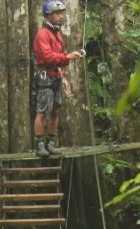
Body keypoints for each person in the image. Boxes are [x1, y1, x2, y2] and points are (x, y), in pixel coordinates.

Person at [33, 0, 84, 159]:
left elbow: (59, 59)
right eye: (57, 13)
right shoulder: (43, 34)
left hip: (56, 76)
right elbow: (48, 57)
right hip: (45, 77)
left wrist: (64, 77)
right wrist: (67, 56)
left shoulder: (57, 34)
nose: (61, 16)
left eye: (62, 13)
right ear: (48, 15)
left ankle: (50, 143)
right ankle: (40, 144)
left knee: (55, 111)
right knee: (42, 111)